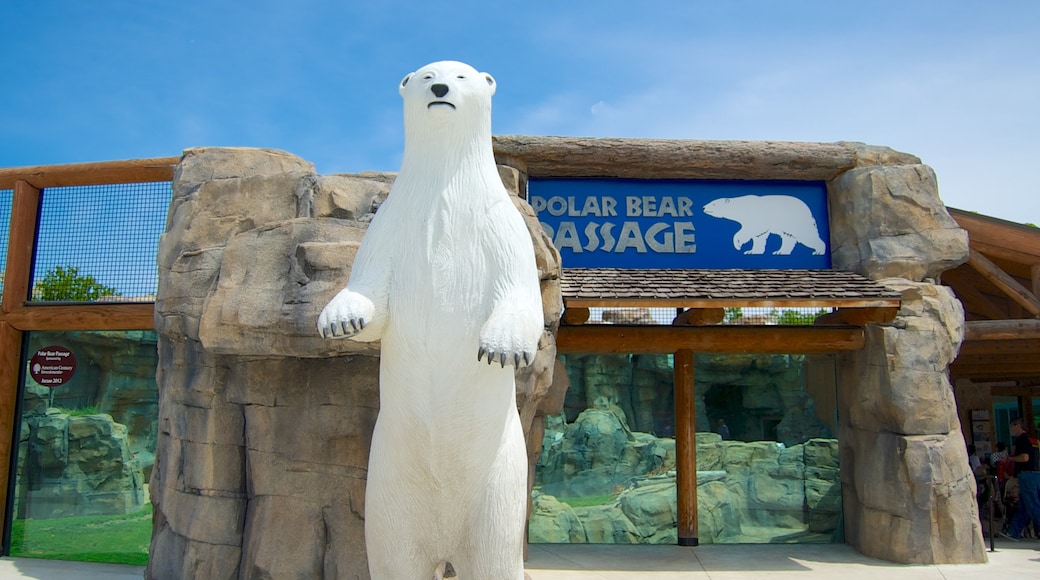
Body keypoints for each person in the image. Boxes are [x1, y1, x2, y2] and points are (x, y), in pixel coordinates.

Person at [1004, 418, 1040, 540]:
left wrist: (1009, 459)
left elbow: (1024, 457)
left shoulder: (1021, 439)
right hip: (1036, 474)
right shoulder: (1034, 440)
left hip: (1027, 475)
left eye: (1011, 427)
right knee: (1024, 506)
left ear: (1018, 426)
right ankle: (1014, 532)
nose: (1011, 430)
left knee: (1034, 505)